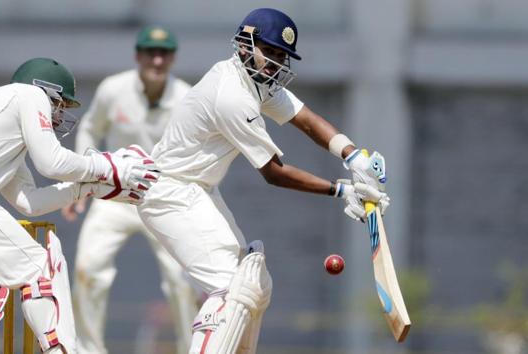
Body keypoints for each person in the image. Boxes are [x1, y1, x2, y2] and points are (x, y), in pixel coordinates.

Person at [136, 8, 391, 354]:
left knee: (255, 286)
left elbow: (306, 120)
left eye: (281, 55)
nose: (275, 62)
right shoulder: (231, 95)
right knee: (230, 290)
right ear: (244, 44)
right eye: (269, 51)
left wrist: (353, 156)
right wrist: (341, 189)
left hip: (197, 191)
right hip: (169, 195)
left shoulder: (257, 81)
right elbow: (274, 173)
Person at [0, 57, 159, 354]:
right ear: (46, 90)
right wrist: (108, 167)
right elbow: (52, 162)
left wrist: (86, 188)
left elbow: (29, 202)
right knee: (41, 267)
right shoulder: (29, 94)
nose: (59, 116)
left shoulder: (2, 127)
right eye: (60, 104)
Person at [60, 26, 199, 354]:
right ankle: (88, 351)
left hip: (164, 199)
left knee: (182, 280)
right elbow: (90, 130)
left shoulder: (186, 97)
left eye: (164, 53)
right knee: (88, 269)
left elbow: (197, 152)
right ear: (137, 55)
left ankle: (192, 349)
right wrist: (82, 183)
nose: (157, 58)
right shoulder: (114, 90)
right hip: (114, 196)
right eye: (150, 51)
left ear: (173, 57)